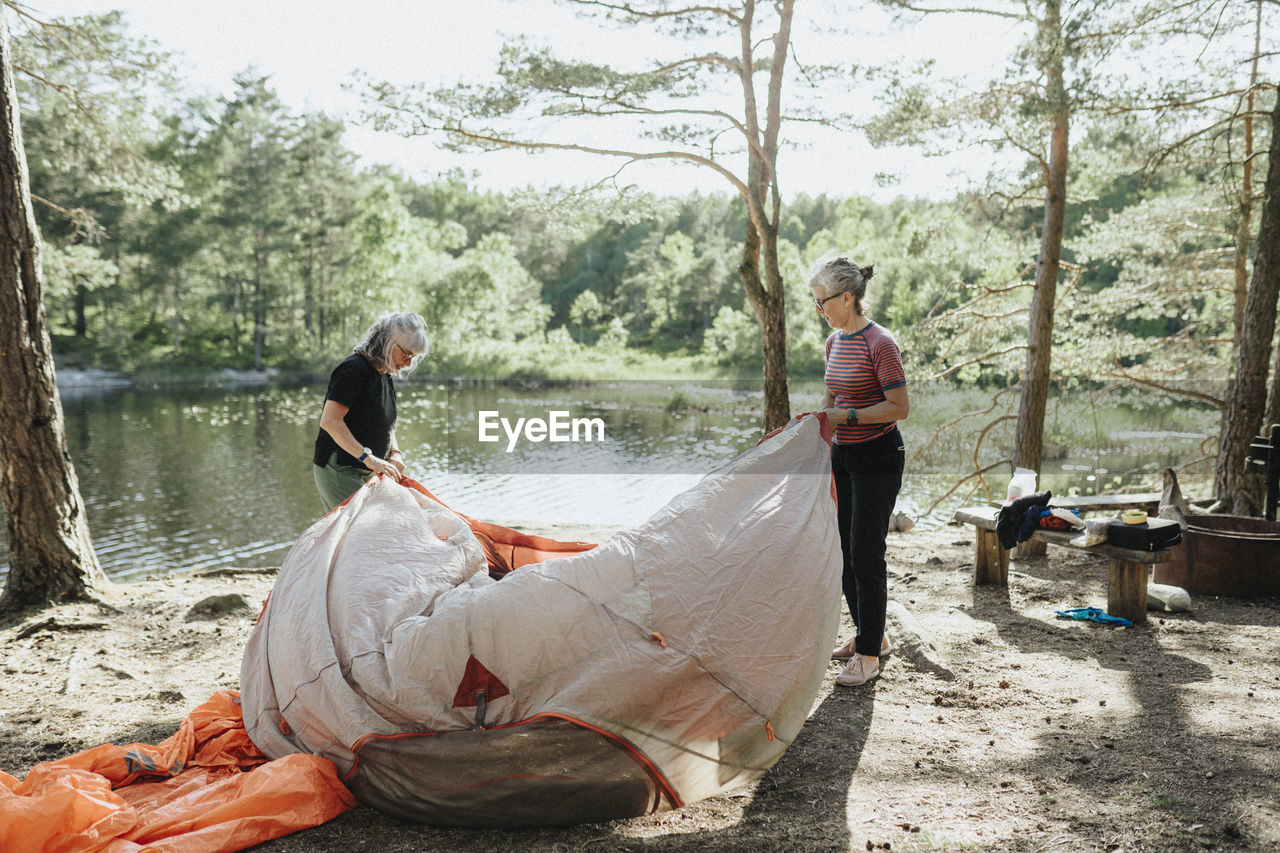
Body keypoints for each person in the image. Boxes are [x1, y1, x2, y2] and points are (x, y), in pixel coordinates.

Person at [811, 257, 909, 687]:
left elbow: (899, 407)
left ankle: (868, 655)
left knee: (867, 553)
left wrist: (845, 418)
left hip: (878, 457)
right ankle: (872, 635)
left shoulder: (880, 343)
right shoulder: (834, 343)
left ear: (847, 297)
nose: (820, 311)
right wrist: (818, 425)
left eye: (823, 302)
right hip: (844, 458)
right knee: (847, 553)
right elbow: (831, 396)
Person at [312, 311, 428, 512]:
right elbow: (330, 421)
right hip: (339, 469)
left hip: (367, 468)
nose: (409, 363)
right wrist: (370, 459)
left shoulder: (384, 374)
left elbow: (386, 425)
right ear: (388, 342)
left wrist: (395, 453)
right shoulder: (353, 369)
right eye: (407, 354)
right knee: (361, 533)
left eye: (413, 357)